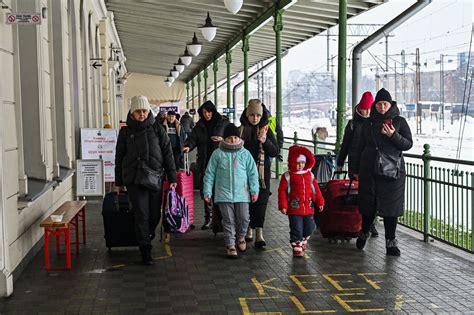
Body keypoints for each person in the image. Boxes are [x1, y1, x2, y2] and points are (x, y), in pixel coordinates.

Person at [115, 95, 177, 265]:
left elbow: (168, 154)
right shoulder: (125, 132)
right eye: (138, 111)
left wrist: (173, 177)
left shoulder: (158, 129)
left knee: (154, 215)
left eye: (144, 110)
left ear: (148, 111)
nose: (141, 114)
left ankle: (147, 234)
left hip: (155, 178)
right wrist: (119, 182)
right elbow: (119, 157)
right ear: (132, 113)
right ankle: (145, 249)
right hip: (134, 180)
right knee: (141, 214)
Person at [353, 88, 413, 256]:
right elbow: (358, 147)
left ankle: (391, 243)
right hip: (369, 170)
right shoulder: (368, 123)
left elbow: (408, 144)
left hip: (392, 172)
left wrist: (393, 135)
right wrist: (355, 170)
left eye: (385, 104)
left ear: (390, 104)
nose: (382, 107)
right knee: (368, 206)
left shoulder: (399, 122)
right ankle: (363, 233)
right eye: (379, 104)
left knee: (390, 209)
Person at [203, 123, 259, 258]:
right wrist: (207, 192)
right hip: (223, 194)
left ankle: (241, 238)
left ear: (239, 138)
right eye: (229, 138)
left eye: (235, 137)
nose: (233, 140)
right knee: (228, 220)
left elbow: (253, 174)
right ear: (224, 139)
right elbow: (209, 174)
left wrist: (254, 190)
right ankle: (230, 245)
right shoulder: (217, 154)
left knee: (244, 218)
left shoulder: (245, 154)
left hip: (243, 194)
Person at [337, 91, 379, 237]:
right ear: (359, 108)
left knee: (372, 196)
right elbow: (345, 145)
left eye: (369, 109)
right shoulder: (352, 124)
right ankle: (361, 223)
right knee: (362, 196)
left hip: (371, 166)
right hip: (355, 166)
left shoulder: (375, 123)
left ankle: (369, 224)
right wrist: (340, 162)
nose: (367, 112)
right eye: (364, 109)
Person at [183, 100, 229, 230]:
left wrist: (223, 140)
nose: (207, 114)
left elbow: (233, 137)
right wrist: (188, 146)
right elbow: (193, 138)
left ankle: (221, 219)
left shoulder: (223, 123)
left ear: (213, 111)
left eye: (208, 112)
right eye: (204, 112)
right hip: (204, 162)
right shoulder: (200, 126)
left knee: (220, 190)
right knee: (206, 190)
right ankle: (208, 218)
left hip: (221, 163)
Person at [240, 99, 279, 248]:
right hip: (243, 173)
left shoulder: (266, 130)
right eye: (252, 115)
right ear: (247, 115)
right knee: (247, 201)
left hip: (262, 174)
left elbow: (275, 151)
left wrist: (265, 141)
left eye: (257, 115)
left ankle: (259, 234)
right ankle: (249, 229)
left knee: (261, 203)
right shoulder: (241, 130)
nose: (255, 118)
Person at [278, 145, 325, 257]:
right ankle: (297, 245)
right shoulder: (287, 176)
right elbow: (282, 192)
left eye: (303, 163)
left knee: (310, 227)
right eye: (298, 163)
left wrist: (320, 201)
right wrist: (283, 205)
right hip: (294, 209)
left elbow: (316, 190)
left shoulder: (310, 175)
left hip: (309, 208)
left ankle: (303, 239)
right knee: (296, 228)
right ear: (293, 162)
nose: (301, 165)